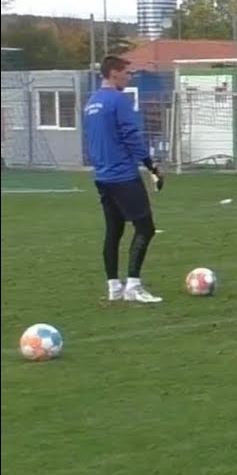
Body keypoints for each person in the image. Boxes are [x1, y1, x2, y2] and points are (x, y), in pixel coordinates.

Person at [83, 55, 164, 303]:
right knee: (145, 228)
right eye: (127, 73)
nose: (130, 77)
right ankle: (133, 286)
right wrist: (152, 167)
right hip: (123, 175)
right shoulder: (119, 100)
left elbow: (93, 140)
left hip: (103, 176)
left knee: (113, 231)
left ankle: (113, 287)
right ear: (114, 73)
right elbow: (131, 136)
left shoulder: (91, 102)